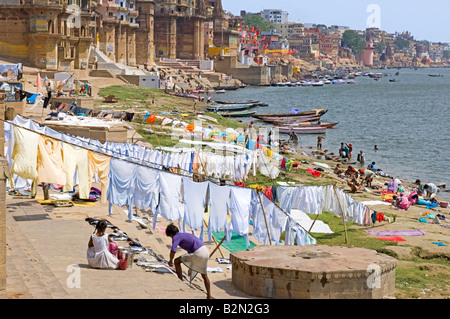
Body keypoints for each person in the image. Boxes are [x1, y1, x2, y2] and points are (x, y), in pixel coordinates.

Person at [166, 224, 212, 299]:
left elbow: (173, 250)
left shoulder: (176, 237)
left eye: (170, 236)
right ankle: (209, 296)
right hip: (205, 251)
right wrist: (191, 268)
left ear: (171, 234)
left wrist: (170, 260)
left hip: (198, 253)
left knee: (176, 261)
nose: (171, 238)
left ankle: (180, 282)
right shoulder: (185, 235)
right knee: (204, 275)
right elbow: (190, 253)